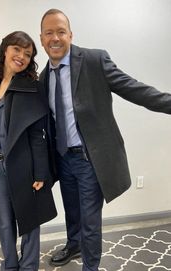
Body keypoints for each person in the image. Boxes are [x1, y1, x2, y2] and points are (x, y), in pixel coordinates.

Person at [39, 8, 171, 271]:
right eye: (49, 33)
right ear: (41, 39)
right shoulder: (43, 78)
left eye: (61, 32)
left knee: (90, 221)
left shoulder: (93, 60)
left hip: (90, 159)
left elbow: (133, 88)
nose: (55, 38)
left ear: (70, 35)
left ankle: (91, 266)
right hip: (63, 159)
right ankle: (73, 244)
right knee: (72, 212)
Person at [0, 31, 57, 271]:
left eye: (27, 54)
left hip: (24, 163)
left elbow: (38, 135)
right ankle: (10, 265)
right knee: (5, 221)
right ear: (5, 49)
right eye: (17, 49)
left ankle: (28, 266)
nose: (21, 56)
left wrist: (41, 173)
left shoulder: (32, 88)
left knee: (29, 218)